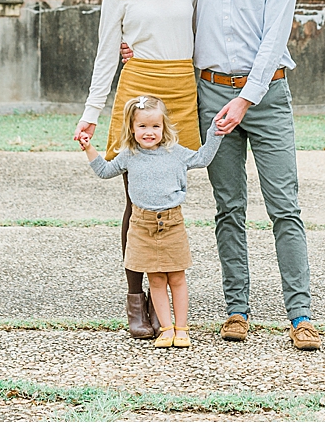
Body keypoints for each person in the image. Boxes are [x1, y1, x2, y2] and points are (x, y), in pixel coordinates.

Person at [142, 0, 321, 351]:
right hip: (211, 92)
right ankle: (236, 310)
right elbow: (169, 10)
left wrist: (245, 99)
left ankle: (300, 314)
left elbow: (273, 37)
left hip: (265, 96)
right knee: (228, 208)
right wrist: (133, 41)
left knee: (285, 207)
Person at [73, 0, 198, 339]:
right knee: (137, 199)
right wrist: (91, 114)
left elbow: (200, 39)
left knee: (169, 198)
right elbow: (107, 55)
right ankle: (136, 298)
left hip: (181, 88)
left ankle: (169, 292)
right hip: (138, 87)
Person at [83, 93, 222, 348]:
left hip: (171, 223)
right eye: (143, 126)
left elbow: (202, 158)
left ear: (164, 127)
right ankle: (166, 329)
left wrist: (216, 132)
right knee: (156, 279)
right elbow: (104, 171)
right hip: (142, 225)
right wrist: (89, 147)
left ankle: (182, 328)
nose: (150, 132)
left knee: (177, 277)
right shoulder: (128, 156)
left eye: (155, 126)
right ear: (132, 128)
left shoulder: (175, 153)